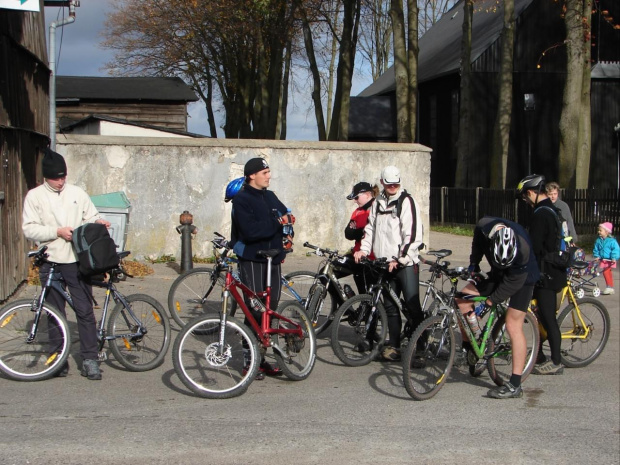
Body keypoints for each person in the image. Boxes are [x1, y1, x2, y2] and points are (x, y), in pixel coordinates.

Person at [22, 147, 111, 380]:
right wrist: (57, 231)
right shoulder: (35, 196)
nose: (60, 181)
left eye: (63, 176)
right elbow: (29, 228)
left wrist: (98, 221)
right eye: (56, 177)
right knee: (54, 312)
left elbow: (89, 216)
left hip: (76, 260)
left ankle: (90, 358)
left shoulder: (77, 193)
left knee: (83, 310)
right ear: (46, 176)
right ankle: (57, 359)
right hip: (50, 259)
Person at [458, 217, 540, 399]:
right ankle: (469, 346)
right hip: (499, 271)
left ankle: (515, 385)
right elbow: (477, 244)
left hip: (522, 277)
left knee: (513, 324)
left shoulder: (523, 249)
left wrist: (489, 303)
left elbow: (512, 283)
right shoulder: (483, 227)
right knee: (462, 299)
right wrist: (474, 263)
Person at [230, 157, 294, 379]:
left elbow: (286, 218)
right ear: (252, 175)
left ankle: (262, 357)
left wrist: (286, 238)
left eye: (269, 171)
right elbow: (250, 232)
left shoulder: (270, 196)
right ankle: (250, 360)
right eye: (265, 172)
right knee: (255, 309)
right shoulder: (242, 200)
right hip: (253, 259)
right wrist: (277, 223)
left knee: (270, 308)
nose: (269, 176)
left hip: (273, 259)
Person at [353, 166, 424, 362]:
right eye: (389, 184)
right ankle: (394, 347)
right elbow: (370, 229)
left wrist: (400, 259)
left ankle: (420, 348)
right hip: (384, 264)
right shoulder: (377, 203)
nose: (393, 187)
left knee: (411, 305)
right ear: (383, 183)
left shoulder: (407, 202)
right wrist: (364, 250)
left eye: (396, 184)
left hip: (405, 264)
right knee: (391, 307)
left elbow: (413, 235)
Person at [516, 174, 565, 376]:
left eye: (525, 198)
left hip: (546, 273)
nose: (526, 203)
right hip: (552, 270)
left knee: (547, 316)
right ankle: (540, 355)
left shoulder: (540, 214)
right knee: (538, 314)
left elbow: (534, 247)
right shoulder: (551, 210)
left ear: (530, 193)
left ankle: (555, 361)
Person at [339, 181, 376, 294]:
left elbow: (373, 233)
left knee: (366, 291)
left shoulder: (377, 209)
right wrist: (361, 232)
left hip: (371, 258)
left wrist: (359, 231)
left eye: (357, 197)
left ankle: (365, 308)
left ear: (367, 195)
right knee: (326, 273)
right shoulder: (357, 212)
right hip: (356, 255)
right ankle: (347, 307)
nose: (355, 201)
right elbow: (348, 234)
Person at [593, 222, 619, 295]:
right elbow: (596, 249)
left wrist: (614, 257)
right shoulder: (598, 240)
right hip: (603, 259)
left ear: (607, 232)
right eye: (599, 230)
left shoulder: (612, 241)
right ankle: (610, 287)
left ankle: (609, 287)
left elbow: (616, 249)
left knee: (606, 272)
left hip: (610, 260)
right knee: (608, 272)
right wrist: (597, 255)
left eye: (601, 230)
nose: (599, 232)